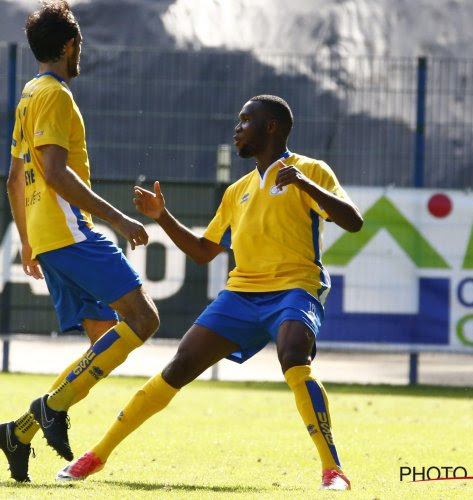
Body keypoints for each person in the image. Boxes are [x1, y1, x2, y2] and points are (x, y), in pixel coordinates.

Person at [56, 95, 363, 490]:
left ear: (271, 126)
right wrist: (162, 216)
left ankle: (332, 470)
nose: (237, 127)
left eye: (245, 120)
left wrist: (304, 184)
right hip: (241, 294)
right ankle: (96, 456)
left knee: (293, 357)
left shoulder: (310, 170)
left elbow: (352, 221)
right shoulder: (238, 190)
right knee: (178, 367)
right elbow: (204, 252)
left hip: (295, 289)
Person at [0, 0, 160, 482]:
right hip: (70, 230)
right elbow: (53, 173)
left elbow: (13, 179)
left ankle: (20, 431)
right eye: (79, 44)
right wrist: (121, 222)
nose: (80, 51)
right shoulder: (55, 96)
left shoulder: (28, 95)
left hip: (48, 236)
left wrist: (28, 241)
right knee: (144, 318)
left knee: (104, 342)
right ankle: (49, 408)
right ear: (69, 46)